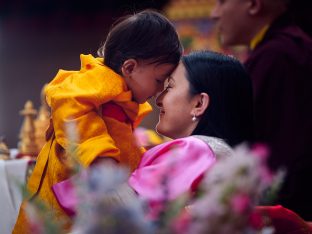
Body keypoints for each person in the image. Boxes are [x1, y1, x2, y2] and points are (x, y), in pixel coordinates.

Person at [13, 9, 182, 233]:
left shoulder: (120, 96)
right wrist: (100, 156)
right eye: (159, 80)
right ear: (129, 67)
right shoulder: (99, 79)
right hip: (61, 199)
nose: (160, 91)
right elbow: (68, 101)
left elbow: (123, 148)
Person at [211, 0, 312, 220]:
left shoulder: (278, 57)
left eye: (221, 2)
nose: (214, 13)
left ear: (254, 4)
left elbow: (278, 152)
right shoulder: (286, 50)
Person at [129, 50, 254, 218]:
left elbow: (122, 207)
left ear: (199, 103)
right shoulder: (229, 157)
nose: (158, 100)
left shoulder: (195, 149)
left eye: (170, 87)